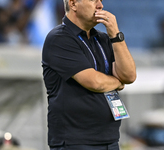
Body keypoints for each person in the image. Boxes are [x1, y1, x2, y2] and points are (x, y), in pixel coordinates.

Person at [42, 0, 136, 150]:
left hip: (109, 140)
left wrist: (116, 35)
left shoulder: (104, 39)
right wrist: (118, 82)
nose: (100, 5)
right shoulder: (59, 38)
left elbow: (129, 76)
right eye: (94, 0)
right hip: (76, 141)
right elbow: (94, 82)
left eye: (101, 0)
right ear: (73, 4)